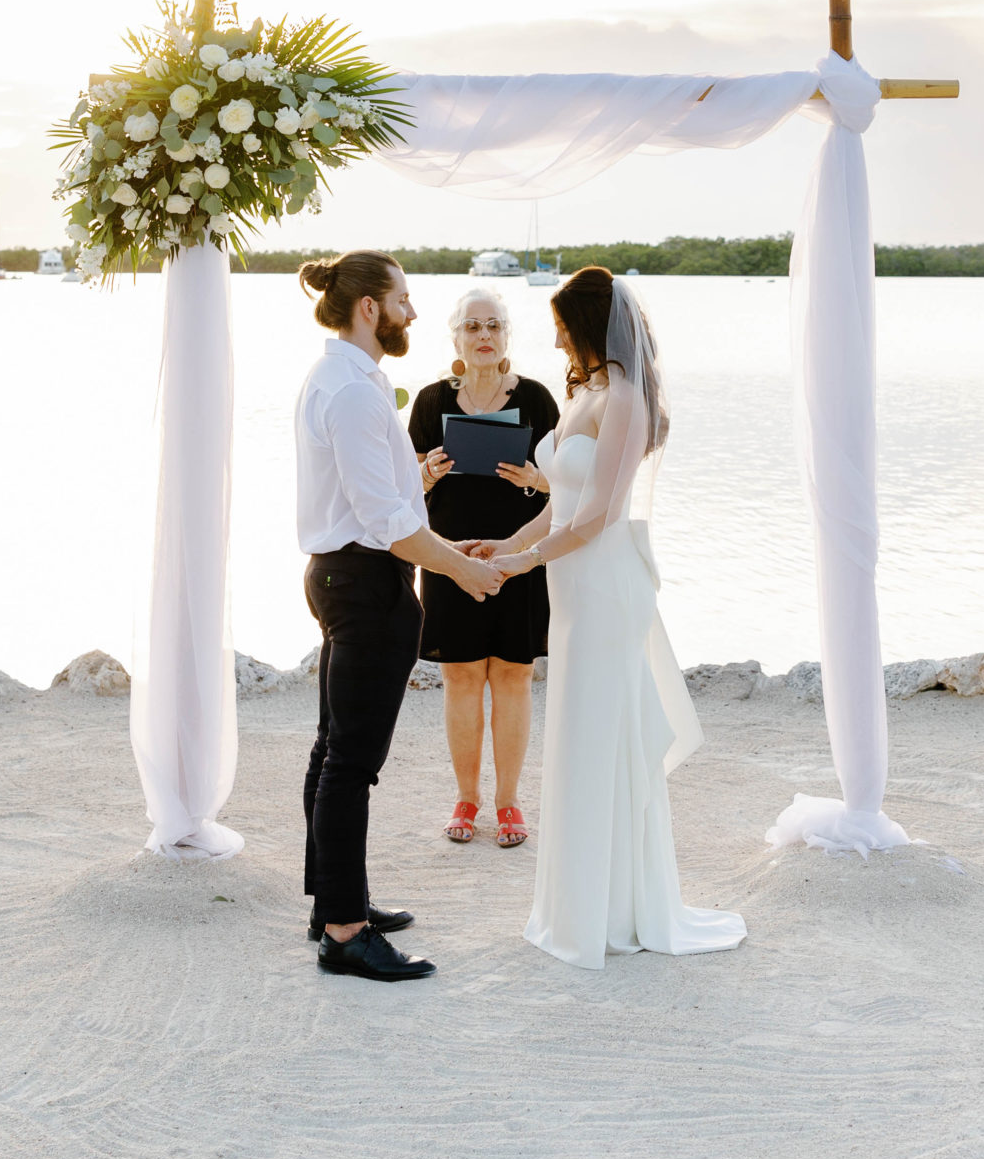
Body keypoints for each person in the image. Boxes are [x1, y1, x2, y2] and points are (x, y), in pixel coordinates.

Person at [473, 267, 746, 971]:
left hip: (602, 584)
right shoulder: (588, 393)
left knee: (602, 736)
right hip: (573, 587)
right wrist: (502, 546)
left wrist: (525, 563)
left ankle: (612, 909)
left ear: (591, 326)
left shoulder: (624, 398)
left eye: (564, 327)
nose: (557, 338)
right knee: (577, 731)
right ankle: (577, 901)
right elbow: (562, 502)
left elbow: (599, 516)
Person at [293, 250, 505, 983]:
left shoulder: (349, 379)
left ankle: (334, 904)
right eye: (404, 299)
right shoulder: (352, 391)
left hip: (348, 573)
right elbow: (385, 523)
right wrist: (465, 568)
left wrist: (415, 483)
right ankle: (346, 932)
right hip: (365, 583)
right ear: (368, 308)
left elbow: (368, 496)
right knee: (351, 763)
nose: (413, 312)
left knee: (333, 751)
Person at [406, 286, 560, 849]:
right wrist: (426, 473)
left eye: (493, 325)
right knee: (463, 676)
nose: (484, 336)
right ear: (456, 338)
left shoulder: (540, 400)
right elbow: (403, 497)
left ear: (507, 337)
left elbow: (568, 487)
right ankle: (467, 797)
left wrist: (534, 478)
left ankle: (509, 801)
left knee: (515, 676)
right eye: (472, 327)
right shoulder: (428, 402)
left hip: (519, 559)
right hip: (448, 558)